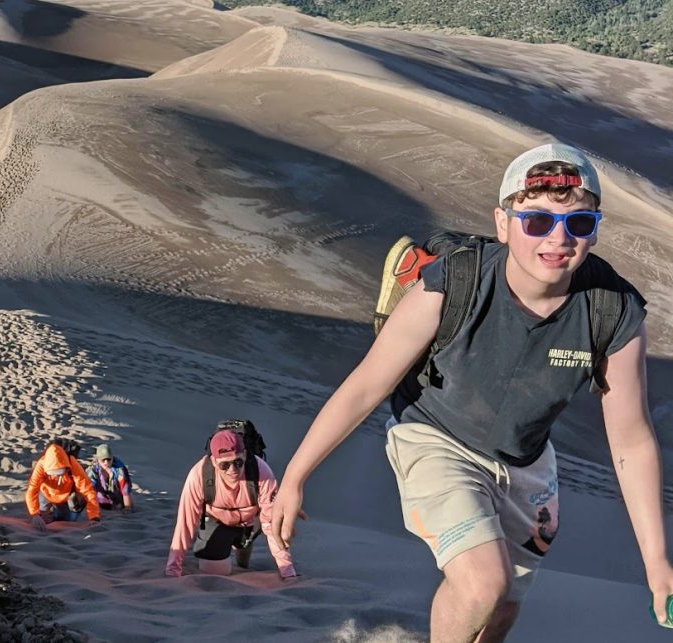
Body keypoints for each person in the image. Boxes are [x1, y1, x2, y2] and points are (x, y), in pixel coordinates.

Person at [271, 144, 673, 641]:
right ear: (503, 224)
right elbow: (366, 385)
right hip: (436, 437)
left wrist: (656, 562)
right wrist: (294, 477)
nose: (559, 239)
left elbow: (631, 440)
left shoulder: (613, 312)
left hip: (526, 464)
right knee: (484, 583)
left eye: (579, 223)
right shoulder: (456, 280)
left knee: (501, 609)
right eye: (537, 222)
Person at [166, 430, 296, 578]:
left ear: (245, 455)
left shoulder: (261, 472)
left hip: (251, 521)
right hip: (217, 520)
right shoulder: (199, 476)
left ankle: (242, 543)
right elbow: (185, 524)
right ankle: (230, 543)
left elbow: (272, 524)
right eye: (225, 465)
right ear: (214, 462)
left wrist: (287, 570)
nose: (233, 470)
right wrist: (173, 568)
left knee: (249, 541)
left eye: (238, 462)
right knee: (216, 572)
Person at [26, 441, 101, 530]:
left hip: (66, 495)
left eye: (61, 473)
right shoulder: (42, 464)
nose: (58, 477)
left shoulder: (72, 463)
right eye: (53, 474)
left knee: (67, 521)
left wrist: (94, 517)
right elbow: (32, 490)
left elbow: (87, 489)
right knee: (42, 521)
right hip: (46, 493)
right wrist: (34, 514)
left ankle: (72, 510)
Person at [88, 444, 134, 512]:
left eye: (109, 459)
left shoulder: (120, 469)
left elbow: (125, 491)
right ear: (98, 460)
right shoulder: (93, 470)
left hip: (118, 500)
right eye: (103, 460)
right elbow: (89, 490)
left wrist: (128, 510)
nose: (106, 462)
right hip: (100, 501)